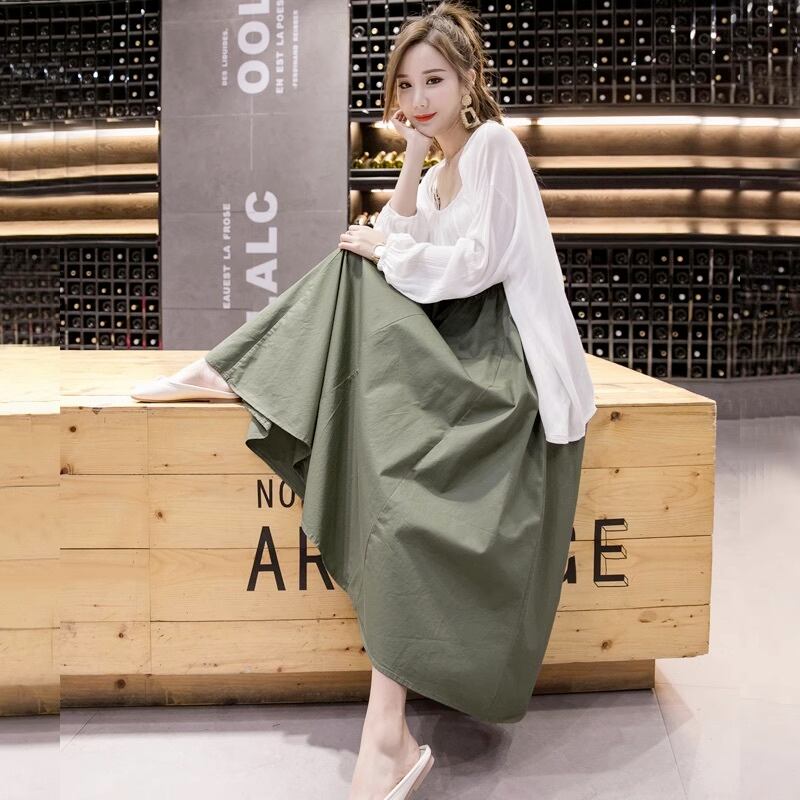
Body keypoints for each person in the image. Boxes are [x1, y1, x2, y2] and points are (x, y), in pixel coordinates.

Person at [131, 3, 596, 799]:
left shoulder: (494, 147)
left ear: (470, 80)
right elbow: (396, 232)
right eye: (405, 86)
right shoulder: (442, 165)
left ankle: (233, 368)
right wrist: (412, 157)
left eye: (434, 82)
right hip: (463, 345)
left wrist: (388, 247)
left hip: (505, 364)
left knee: (363, 263)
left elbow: (477, 263)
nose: (418, 99)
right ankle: (386, 736)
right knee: (360, 255)